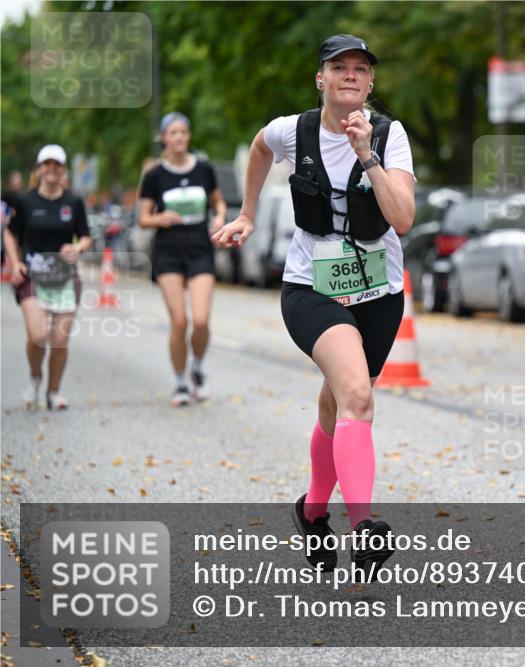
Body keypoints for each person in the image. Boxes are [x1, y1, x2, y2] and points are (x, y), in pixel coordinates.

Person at [213, 34, 415, 578]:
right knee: (357, 394)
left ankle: (312, 511)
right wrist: (248, 213)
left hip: (378, 292)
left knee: (337, 405)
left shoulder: (390, 138)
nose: (350, 75)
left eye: (360, 69)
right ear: (320, 79)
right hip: (311, 288)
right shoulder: (291, 131)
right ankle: (364, 527)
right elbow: (258, 147)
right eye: (339, 67)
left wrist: (366, 155)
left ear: (370, 83)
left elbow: (402, 219)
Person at [139, 112, 226, 407]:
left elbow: (218, 202)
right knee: (179, 321)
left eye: (182, 132)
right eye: (172, 133)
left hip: (200, 247)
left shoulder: (204, 169)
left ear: (188, 136)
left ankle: (197, 369)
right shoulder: (154, 175)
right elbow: (142, 218)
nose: (178, 137)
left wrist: (221, 218)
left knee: (200, 320)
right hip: (168, 251)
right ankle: (179, 382)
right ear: (163, 138)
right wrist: (160, 217)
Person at [3, 145, 92, 410]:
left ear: (63, 169)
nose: (51, 169)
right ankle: (35, 377)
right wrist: (15, 261)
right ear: (39, 169)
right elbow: (10, 233)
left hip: (65, 276)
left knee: (60, 340)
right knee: (38, 335)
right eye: (47, 164)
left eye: (57, 164)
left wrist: (77, 248)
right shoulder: (25, 201)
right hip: (32, 275)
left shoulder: (73, 202)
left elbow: (86, 236)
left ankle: (54, 392)